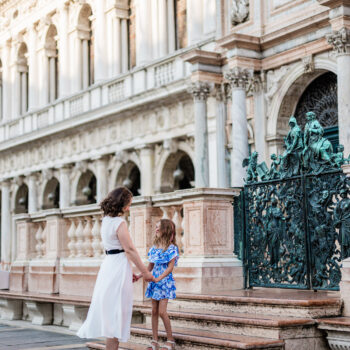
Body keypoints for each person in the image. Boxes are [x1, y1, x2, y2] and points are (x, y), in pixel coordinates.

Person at [77, 187, 154, 350]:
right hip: (118, 266)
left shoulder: (105, 220)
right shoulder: (119, 222)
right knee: (117, 312)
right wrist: (145, 272)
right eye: (128, 204)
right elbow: (129, 249)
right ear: (122, 204)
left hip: (110, 265)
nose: (129, 208)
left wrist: (130, 271)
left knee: (112, 312)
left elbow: (116, 248)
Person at [136, 219, 179, 350]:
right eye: (155, 227)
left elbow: (170, 268)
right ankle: (154, 340)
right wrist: (139, 275)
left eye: (158, 227)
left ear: (165, 230)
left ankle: (170, 340)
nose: (156, 230)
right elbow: (149, 266)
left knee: (162, 311)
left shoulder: (172, 249)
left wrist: (159, 278)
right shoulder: (154, 249)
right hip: (154, 282)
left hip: (164, 282)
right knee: (154, 311)